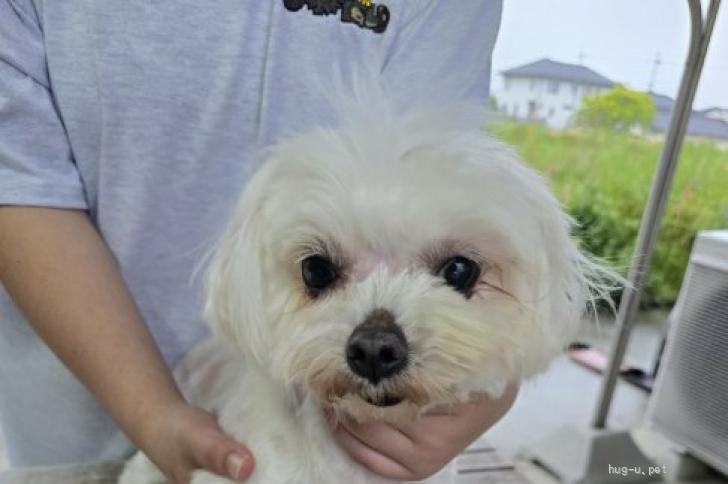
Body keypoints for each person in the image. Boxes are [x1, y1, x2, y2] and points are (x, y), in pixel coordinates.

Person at [0, 1, 515, 482]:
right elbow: (17, 175)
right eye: (320, 273)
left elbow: (459, 183)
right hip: (75, 418)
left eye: (455, 273)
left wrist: (500, 370)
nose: (377, 342)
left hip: (401, 441)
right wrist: (153, 413)